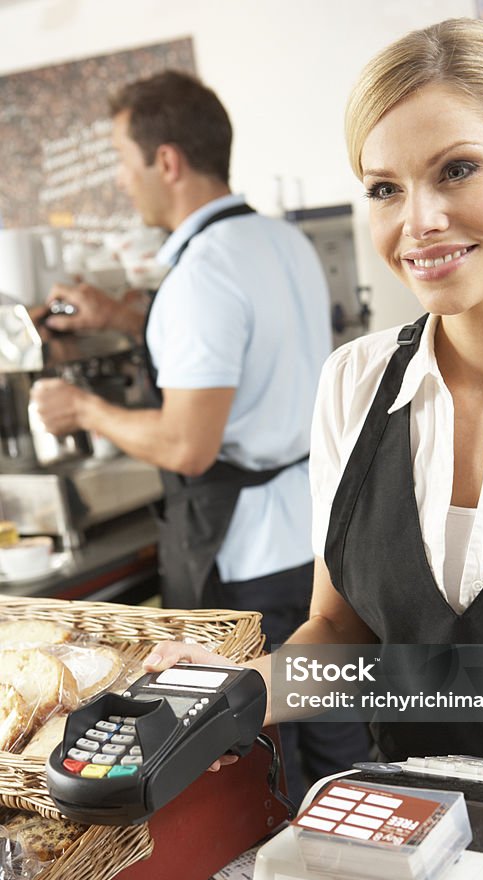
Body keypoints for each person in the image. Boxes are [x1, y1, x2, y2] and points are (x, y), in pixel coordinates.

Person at [145, 21, 483, 788]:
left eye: (457, 169)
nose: (417, 221)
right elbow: (340, 632)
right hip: (417, 836)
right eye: (384, 189)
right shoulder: (354, 384)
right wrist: (239, 692)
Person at [31, 70, 370, 801]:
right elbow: (248, 358)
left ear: (167, 161)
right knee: (335, 728)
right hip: (309, 535)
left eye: (124, 162)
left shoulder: (201, 274)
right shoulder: (279, 241)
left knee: (262, 754)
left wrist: (82, 409)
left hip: (243, 552)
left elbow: (189, 445)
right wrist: (125, 321)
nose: (123, 182)